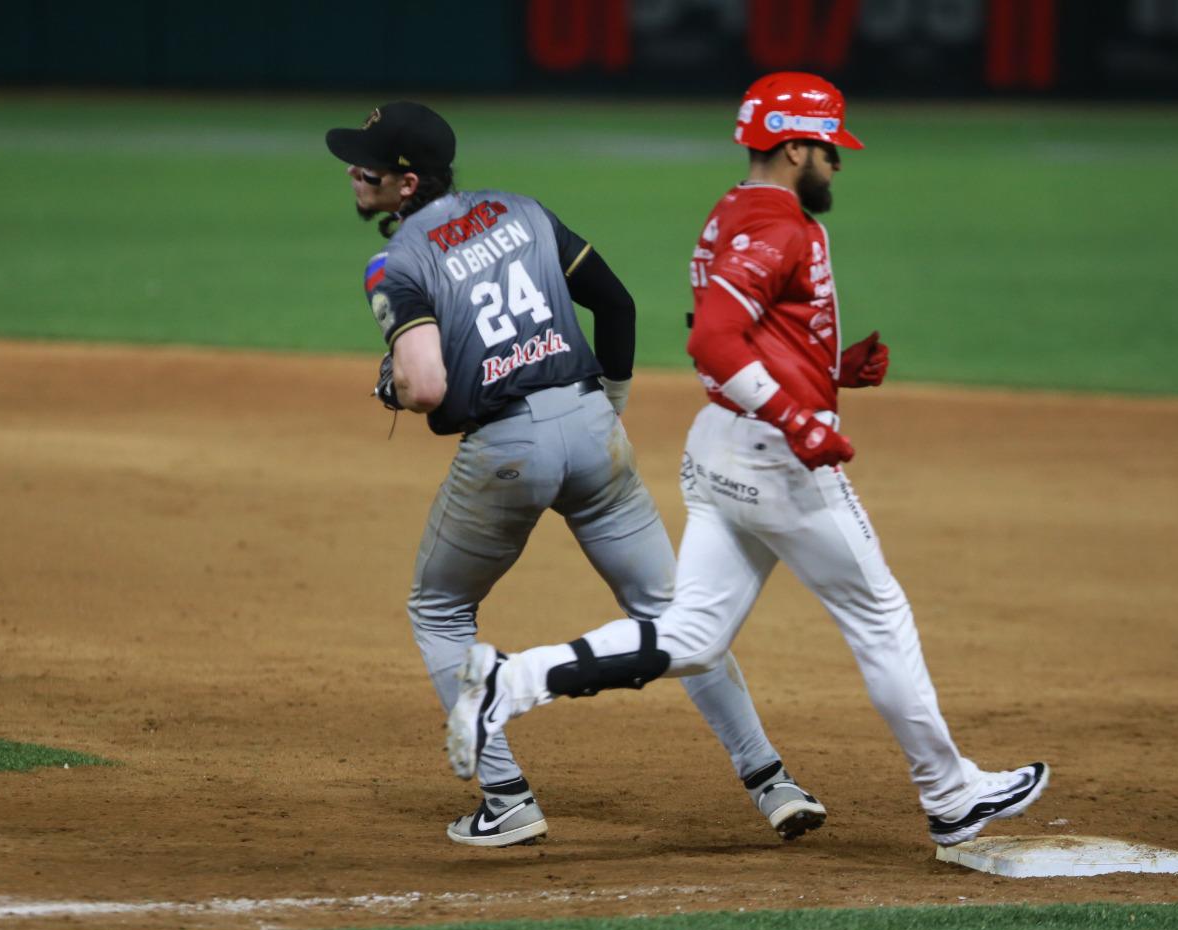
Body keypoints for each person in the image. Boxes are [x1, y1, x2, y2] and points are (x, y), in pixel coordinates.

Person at [446, 75, 1049, 858]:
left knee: (693, 634)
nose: (837, 162)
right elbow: (713, 340)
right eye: (829, 147)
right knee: (879, 616)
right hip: (776, 459)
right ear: (795, 145)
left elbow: (749, 331)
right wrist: (799, 412)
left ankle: (511, 682)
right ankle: (951, 795)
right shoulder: (780, 226)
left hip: (724, 446)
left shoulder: (736, 209)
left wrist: (830, 368)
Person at [326, 101, 826, 847]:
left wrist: (391, 383)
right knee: (676, 614)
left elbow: (427, 389)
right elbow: (616, 306)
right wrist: (610, 409)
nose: (351, 170)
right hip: (596, 432)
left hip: (507, 452)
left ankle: (506, 798)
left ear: (406, 185)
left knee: (439, 612)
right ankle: (772, 781)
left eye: (367, 162)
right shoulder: (522, 212)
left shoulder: (396, 263)